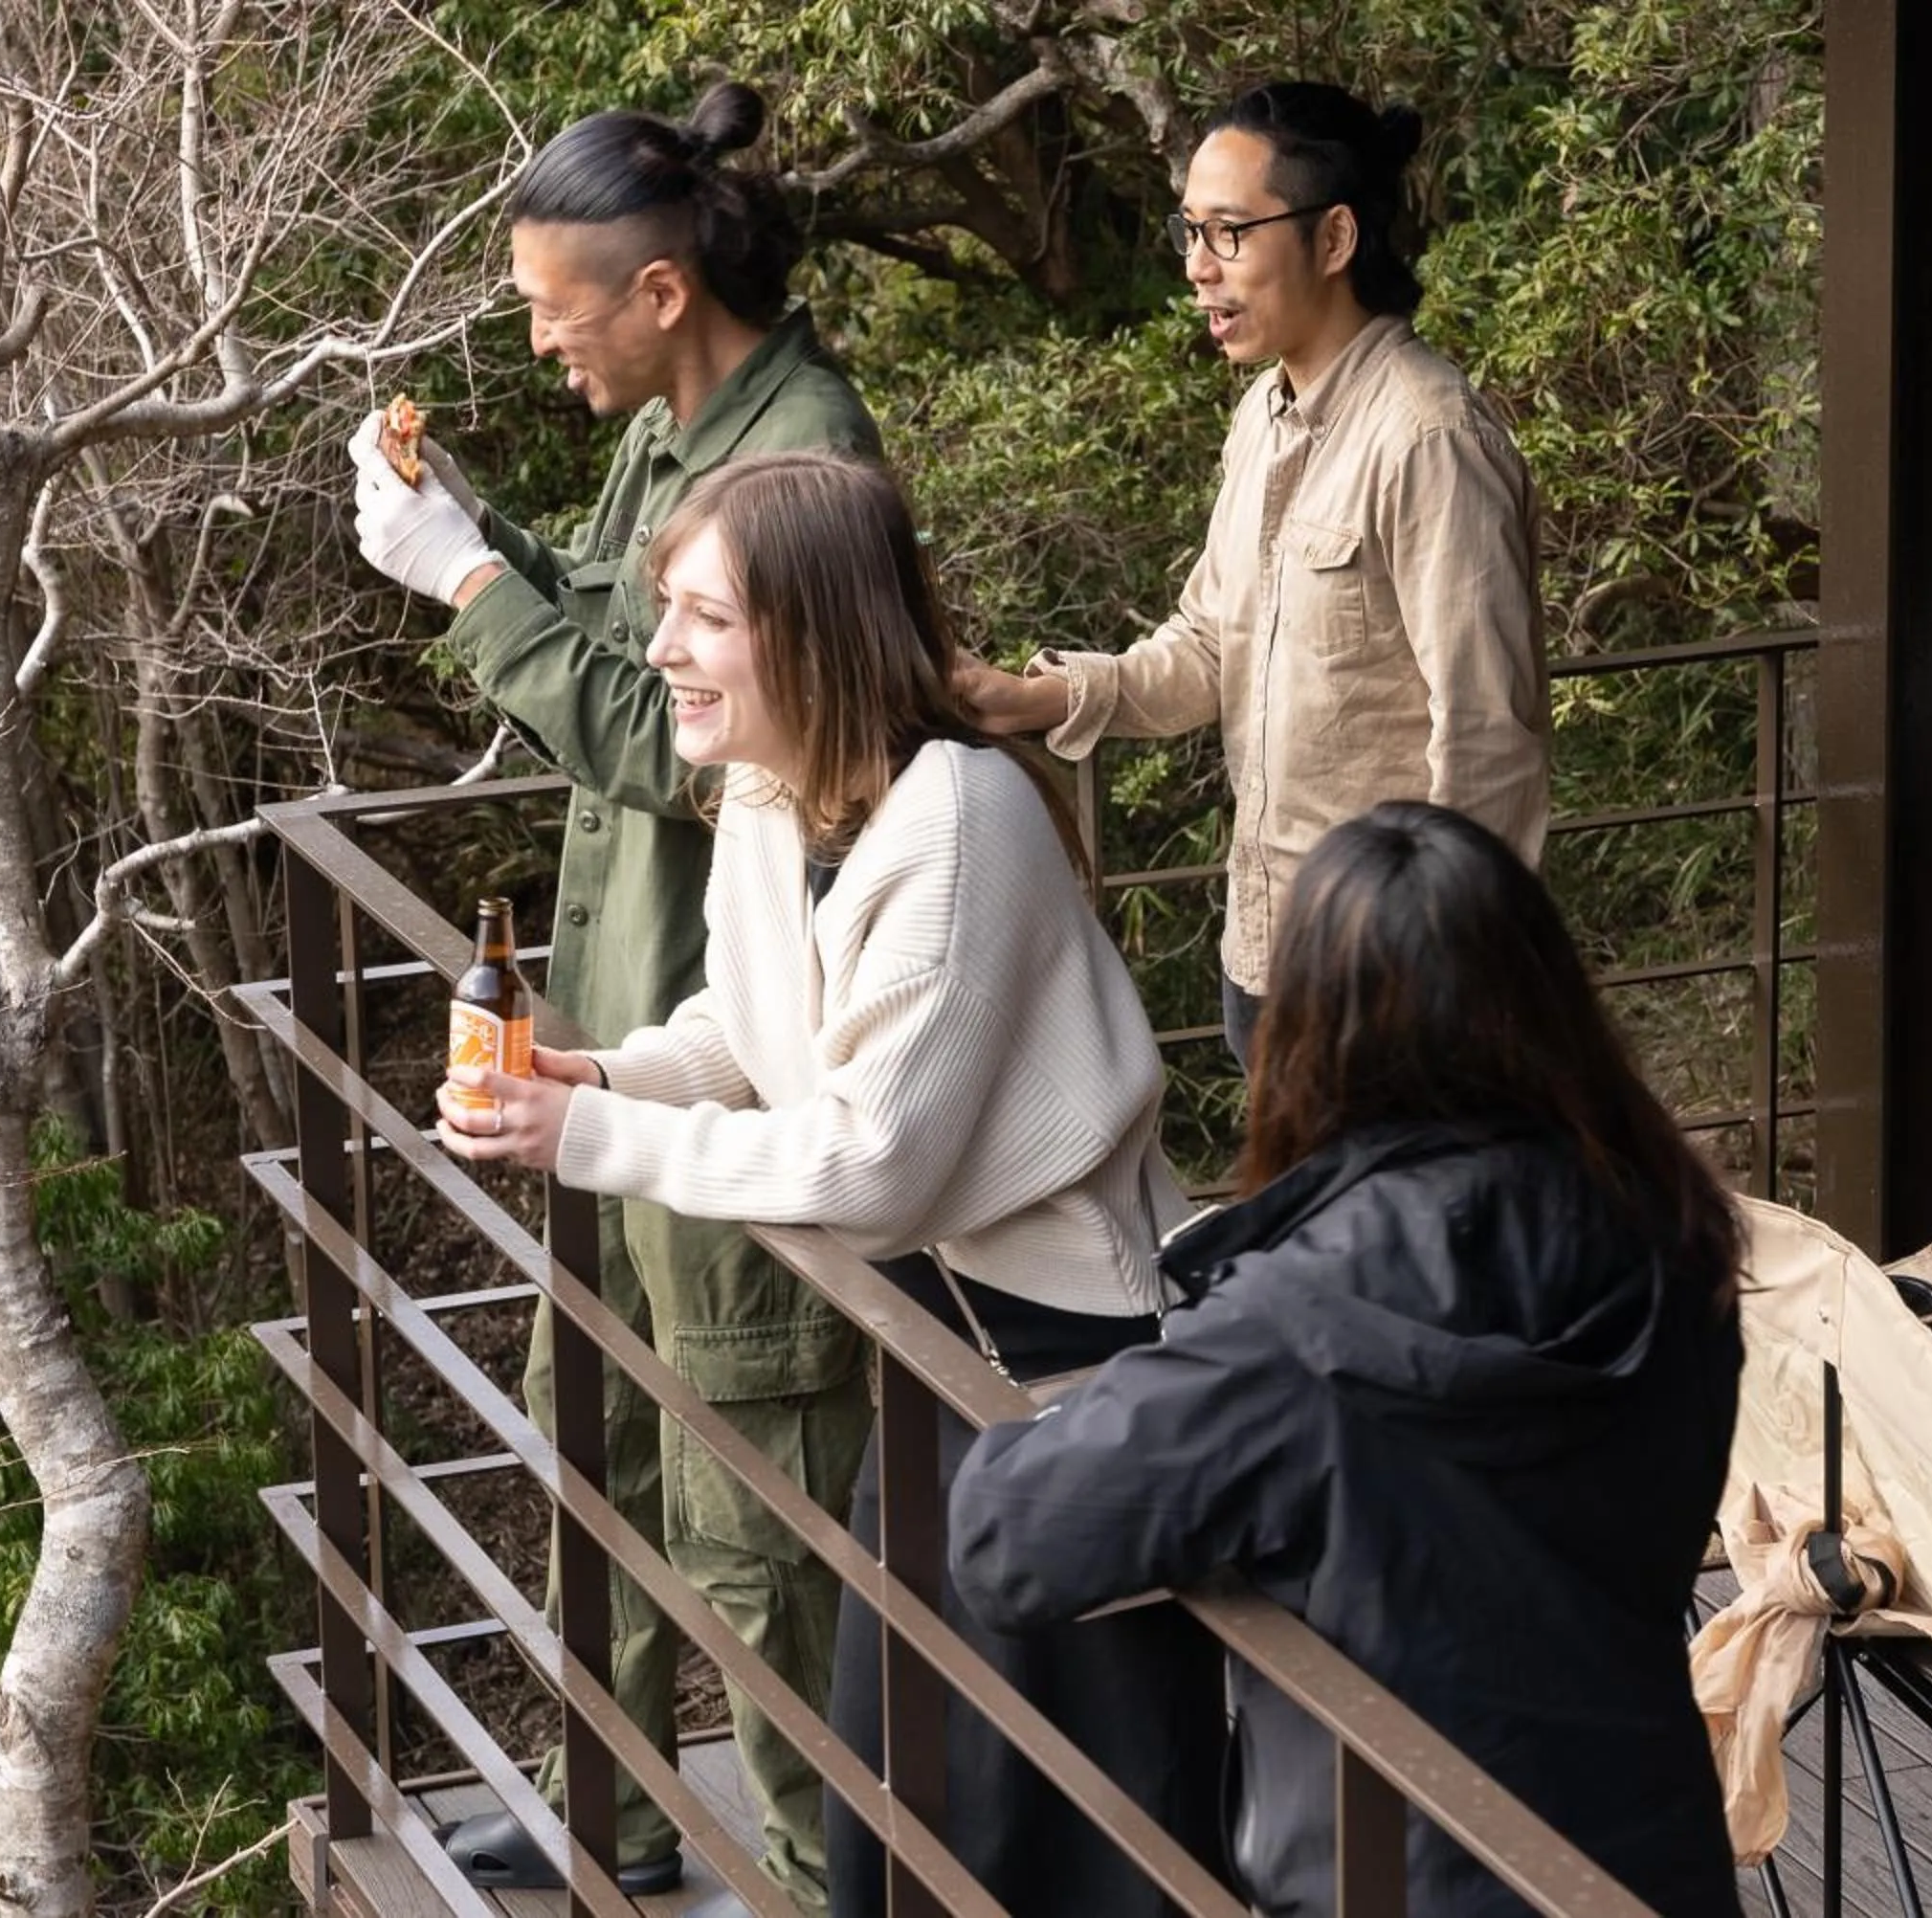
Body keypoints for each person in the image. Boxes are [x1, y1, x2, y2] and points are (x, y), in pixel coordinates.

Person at [435, 452, 1228, 1918]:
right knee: (905, 1783)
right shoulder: (766, 789)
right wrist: (595, 1075)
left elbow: (868, 1164)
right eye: (666, 610)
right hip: (932, 1345)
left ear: (810, 630)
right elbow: (752, 1028)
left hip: (1064, 1364)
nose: (662, 647)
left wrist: (585, 1143)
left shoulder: (959, 821)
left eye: (702, 617)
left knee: (1089, 1823)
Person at [347, 81, 881, 1905]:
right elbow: (608, 613)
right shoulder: (680, 421)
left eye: (547, 303)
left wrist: (469, 582)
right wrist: (471, 528)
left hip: (728, 1042)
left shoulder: (799, 450)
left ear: (657, 287)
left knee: (755, 1498)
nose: (531, 331)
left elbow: (681, 742)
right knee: (614, 1427)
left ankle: (826, 1873)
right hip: (636, 1029)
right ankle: (624, 1802)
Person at [945, 799, 1745, 1917]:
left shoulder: (1295, 1325)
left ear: (1307, 1029)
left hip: (1385, 1878)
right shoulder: (1672, 1234)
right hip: (1640, 1860)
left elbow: (1008, 1539)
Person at [953, 81, 1548, 1065]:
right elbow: (1205, 647)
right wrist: (1024, 699)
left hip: (1394, 978)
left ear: (1334, 239)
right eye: (1190, 233)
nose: (1196, 268)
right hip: (1267, 951)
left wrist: (1443, 978)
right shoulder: (1263, 418)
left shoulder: (1429, 438)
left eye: (1228, 234)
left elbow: (1488, 736)